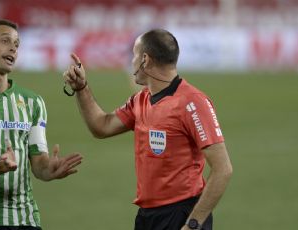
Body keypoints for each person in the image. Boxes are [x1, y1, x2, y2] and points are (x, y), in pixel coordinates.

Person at [63, 29, 233, 230]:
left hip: (181, 215)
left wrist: (193, 225)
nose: (131, 62)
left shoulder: (192, 102)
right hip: (147, 217)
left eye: (133, 55)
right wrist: (81, 88)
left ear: (145, 60)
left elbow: (223, 169)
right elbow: (102, 126)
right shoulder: (140, 100)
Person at [0, 19, 83, 230]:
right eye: (5, 41)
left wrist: (50, 169)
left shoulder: (32, 102)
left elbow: (39, 165)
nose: (13, 48)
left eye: (17, 44)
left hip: (24, 220)